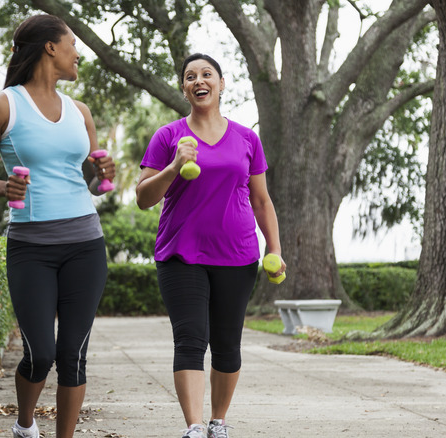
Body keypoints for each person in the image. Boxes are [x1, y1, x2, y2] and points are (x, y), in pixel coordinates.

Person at [0, 14, 115, 438]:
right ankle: (25, 426)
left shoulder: (80, 111)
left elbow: (94, 185)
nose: (77, 53)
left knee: (73, 354)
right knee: (40, 353)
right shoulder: (2, 106)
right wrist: (2, 186)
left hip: (86, 242)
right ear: (51, 47)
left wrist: (105, 174)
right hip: (31, 246)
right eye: (72, 44)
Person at [135, 53, 285, 438]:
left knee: (227, 343)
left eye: (206, 74)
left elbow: (262, 201)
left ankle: (218, 421)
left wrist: (275, 249)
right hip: (181, 252)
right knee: (189, 338)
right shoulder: (168, 137)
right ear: (184, 88)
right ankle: (194, 426)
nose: (198, 81)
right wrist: (173, 166)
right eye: (190, 76)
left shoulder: (247, 138)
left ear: (221, 83)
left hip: (237, 254)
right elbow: (143, 198)